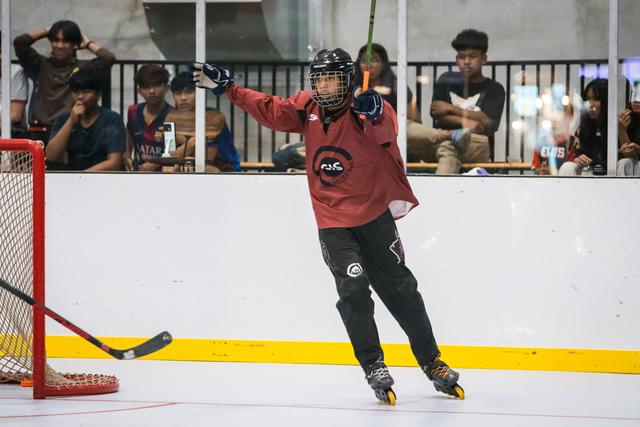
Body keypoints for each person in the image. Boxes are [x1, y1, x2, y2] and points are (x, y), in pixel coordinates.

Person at [192, 49, 464, 404]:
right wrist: (229, 88)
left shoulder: (366, 108)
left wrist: (376, 111)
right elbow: (270, 109)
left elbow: (387, 131)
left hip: (375, 217)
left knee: (402, 291)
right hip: (334, 222)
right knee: (354, 290)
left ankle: (432, 362)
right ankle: (374, 365)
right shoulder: (307, 108)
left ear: (347, 80)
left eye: (331, 79)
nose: (323, 86)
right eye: (318, 79)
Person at [410, 29, 505, 174]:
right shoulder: (446, 80)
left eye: (472, 56)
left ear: (484, 59)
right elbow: (436, 112)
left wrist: (451, 108)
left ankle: (442, 184)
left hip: (476, 143)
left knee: (448, 147)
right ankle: (450, 135)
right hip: (440, 140)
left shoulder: (494, 88)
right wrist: (468, 122)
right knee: (405, 128)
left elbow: (489, 123)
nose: (466, 61)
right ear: (456, 60)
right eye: (461, 57)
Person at [14, 20, 115, 144]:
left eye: (66, 41)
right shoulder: (40, 64)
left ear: (74, 44)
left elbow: (108, 58)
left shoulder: (81, 68)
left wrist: (88, 43)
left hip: (68, 131)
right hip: (39, 132)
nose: (60, 45)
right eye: (55, 40)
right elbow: (20, 43)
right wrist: (46, 31)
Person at [45, 69, 125, 171]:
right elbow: (51, 156)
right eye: (76, 92)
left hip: (103, 177)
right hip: (71, 175)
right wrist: (70, 122)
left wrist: (83, 176)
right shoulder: (63, 119)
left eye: (86, 92)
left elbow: (114, 163)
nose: (80, 97)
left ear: (98, 95)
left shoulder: (112, 119)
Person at [164, 72, 239, 172]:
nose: (183, 98)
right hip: (186, 164)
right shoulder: (170, 118)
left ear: (199, 93)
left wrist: (186, 146)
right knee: (168, 168)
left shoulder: (213, 117)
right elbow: (169, 156)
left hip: (222, 168)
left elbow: (208, 157)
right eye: (178, 93)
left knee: (202, 168)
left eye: (189, 92)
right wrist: (191, 144)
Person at [125, 64, 173, 172]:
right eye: (146, 86)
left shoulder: (172, 115)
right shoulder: (133, 111)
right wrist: (127, 157)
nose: (151, 91)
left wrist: (156, 163)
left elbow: (175, 152)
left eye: (156, 85)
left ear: (166, 87)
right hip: (139, 172)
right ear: (139, 91)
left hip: (165, 174)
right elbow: (129, 139)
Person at [559, 79, 608, 176]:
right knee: (567, 167)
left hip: (610, 174)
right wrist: (579, 159)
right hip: (588, 172)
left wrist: (621, 131)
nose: (590, 104)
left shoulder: (616, 125)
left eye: (596, 99)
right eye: (588, 99)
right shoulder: (584, 124)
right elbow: (577, 154)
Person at [616, 83, 640, 176]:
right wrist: (622, 130)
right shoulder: (628, 119)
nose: (636, 100)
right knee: (624, 163)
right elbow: (629, 155)